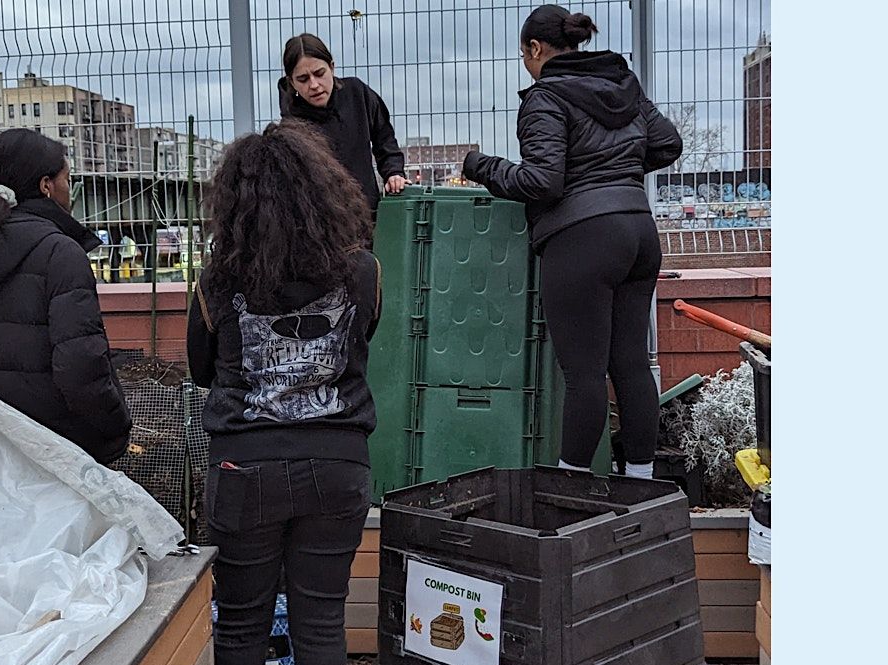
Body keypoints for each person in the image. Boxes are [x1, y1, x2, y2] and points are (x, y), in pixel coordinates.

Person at [187, 119, 381, 665]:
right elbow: (361, 343)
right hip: (339, 464)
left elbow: (202, 371)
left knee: (241, 625)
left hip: (243, 467)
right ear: (324, 192)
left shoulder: (216, 283)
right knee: (321, 625)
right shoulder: (364, 273)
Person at [461, 4, 682, 478]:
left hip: (583, 240)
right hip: (640, 233)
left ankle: (571, 493)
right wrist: (614, 177)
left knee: (584, 378)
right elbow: (667, 144)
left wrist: (481, 167)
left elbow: (542, 182)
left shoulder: (545, 96)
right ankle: (639, 488)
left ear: (536, 49)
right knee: (631, 366)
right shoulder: (622, 82)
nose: (527, 64)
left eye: (525, 56)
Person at [0, 128, 132, 465]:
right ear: (46, 186)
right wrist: (116, 425)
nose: (69, 190)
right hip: (62, 447)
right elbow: (80, 366)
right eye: (66, 179)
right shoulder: (61, 252)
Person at [278, 32, 407, 228]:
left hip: (369, 215)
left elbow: (384, 138)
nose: (314, 85)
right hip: (323, 229)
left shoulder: (357, 94)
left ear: (332, 67)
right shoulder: (290, 127)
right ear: (292, 82)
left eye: (319, 74)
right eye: (303, 79)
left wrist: (393, 173)